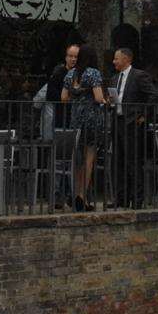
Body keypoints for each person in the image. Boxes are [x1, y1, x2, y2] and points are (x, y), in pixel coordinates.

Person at [60, 45, 107, 212]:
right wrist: (106, 101)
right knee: (88, 160)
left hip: (75, 121)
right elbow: (98, 97)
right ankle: (82, 196)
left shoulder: (71, 73)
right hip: (92, 121)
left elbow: (63, 98)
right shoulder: (93, 73)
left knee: (77, 160)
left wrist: (77, 96)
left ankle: (75, 194)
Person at [109, 46, 156, 209]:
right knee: (119, 161)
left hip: (132, 123)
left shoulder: (139, 75)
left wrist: (143, 115)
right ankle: (121, 198)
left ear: (126, 59)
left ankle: (137, 198)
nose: (114, 61)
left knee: (133, 161)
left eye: (116, 58)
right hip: (118, 121)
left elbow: (152, 95)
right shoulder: (114, 78)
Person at [33, 43, 78, 142]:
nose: (73, 59)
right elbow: (51, 94)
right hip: (58, 115)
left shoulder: (81, 74)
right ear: (66, 57)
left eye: (76, 57)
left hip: (73, 116)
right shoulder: (58, 73)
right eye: (71, 56)